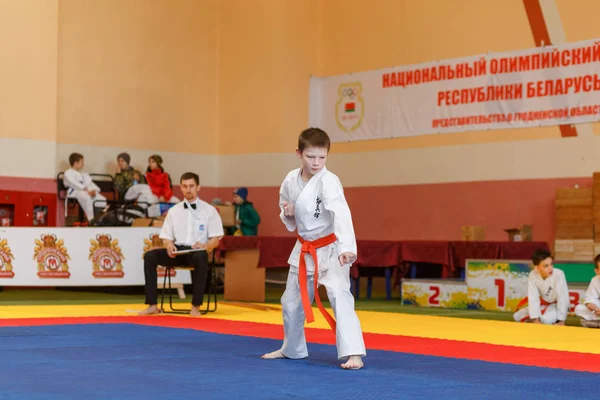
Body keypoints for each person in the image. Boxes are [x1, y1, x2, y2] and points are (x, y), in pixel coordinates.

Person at [261, 127, 366, 370]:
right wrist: (288, 213)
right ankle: (292, 349)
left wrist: (347, 247)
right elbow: (286, 210)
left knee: (340, 297)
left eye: (322, 157)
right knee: (291, 301)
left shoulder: (329, 181)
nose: (317, 162)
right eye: (311, 157)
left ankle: (354, 353)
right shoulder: (290, 179)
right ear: (299, 153)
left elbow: (341, 213)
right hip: (304, 248)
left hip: (331, 248)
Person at [139, 172, 223, 317]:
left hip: (198, 251)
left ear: (198, 187)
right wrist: (168, 245)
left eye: (191, 186)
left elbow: (215, 240)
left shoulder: (210, 211)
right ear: (181, 188)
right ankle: (152, 305)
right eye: (185, 186)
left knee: (200, 256)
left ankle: (196, 306)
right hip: (177, 251)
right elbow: (166, 237)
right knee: (150, 256)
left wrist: (205, 246)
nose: (188, 189)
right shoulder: (173, 211)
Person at [513, 249, 570, 325]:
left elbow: (562, 298)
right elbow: (533, 298)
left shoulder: (559, 274)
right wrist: (535, 320)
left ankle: (552, 319)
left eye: (551, 264)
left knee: (545, 320)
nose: (550, 268)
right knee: (517, 316)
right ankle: (539, 319)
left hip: (555, 306)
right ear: (537, 268)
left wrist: (561, 321)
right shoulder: (533, 275)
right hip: (543, 305)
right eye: (546, 266)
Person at [63, 153, 107, 225]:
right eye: (82, 162)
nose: (83, 164)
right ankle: (91, 220)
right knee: (88, 197)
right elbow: (74, 183)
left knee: (102, 199)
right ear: (76, 163)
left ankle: (100, 219)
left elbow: (89, 183)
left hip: (86, 191)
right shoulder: (68, 173)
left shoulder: (83, 174)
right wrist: (86, 190)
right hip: (75, 192)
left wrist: (94, 191)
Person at [574, 254, 600, 328]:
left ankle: (594, 323)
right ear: (597, 271)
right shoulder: (595, 280)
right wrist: (590, 304)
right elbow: (591, 297)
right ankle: (596, 323)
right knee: (579, 308)